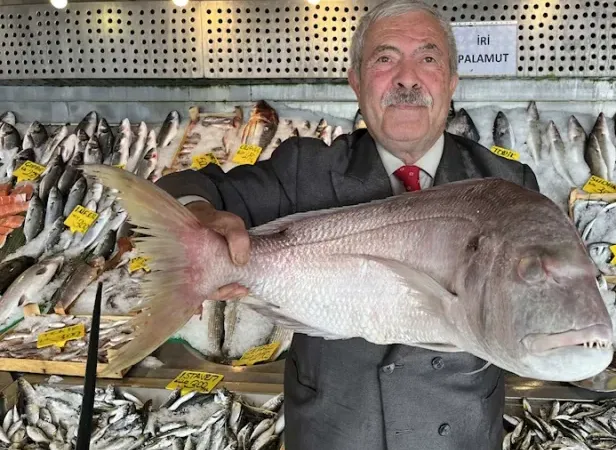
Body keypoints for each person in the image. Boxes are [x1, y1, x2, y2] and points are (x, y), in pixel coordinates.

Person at [156, 1, 538, 448]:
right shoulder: (305, 170)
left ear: (452, 80)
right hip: (333, 433)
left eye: (429, 59)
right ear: (355, 81)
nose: (407, 78)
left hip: (460, 435)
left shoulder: (509, 185)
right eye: (385, 58)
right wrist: (199, 218)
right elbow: (186, 185)